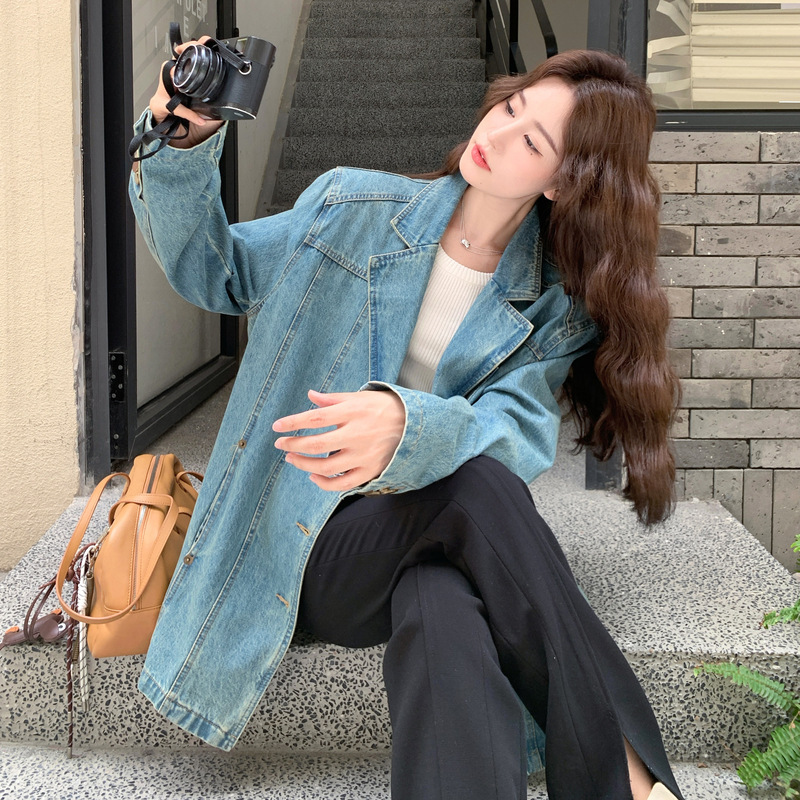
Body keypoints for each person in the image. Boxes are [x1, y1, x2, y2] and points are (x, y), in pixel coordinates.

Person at [129, 44, 683, 800]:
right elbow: (215, 270)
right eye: (510, 106)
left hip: (426, 536)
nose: (496, 133)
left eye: (530, 141)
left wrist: (407, 428)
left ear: (562, 183)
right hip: (302, 545)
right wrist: (180, 139)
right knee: (477, 493)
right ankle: (626, 777)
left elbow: (517, 434)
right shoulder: (349, 209)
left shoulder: (554, 307)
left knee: (442, 600)